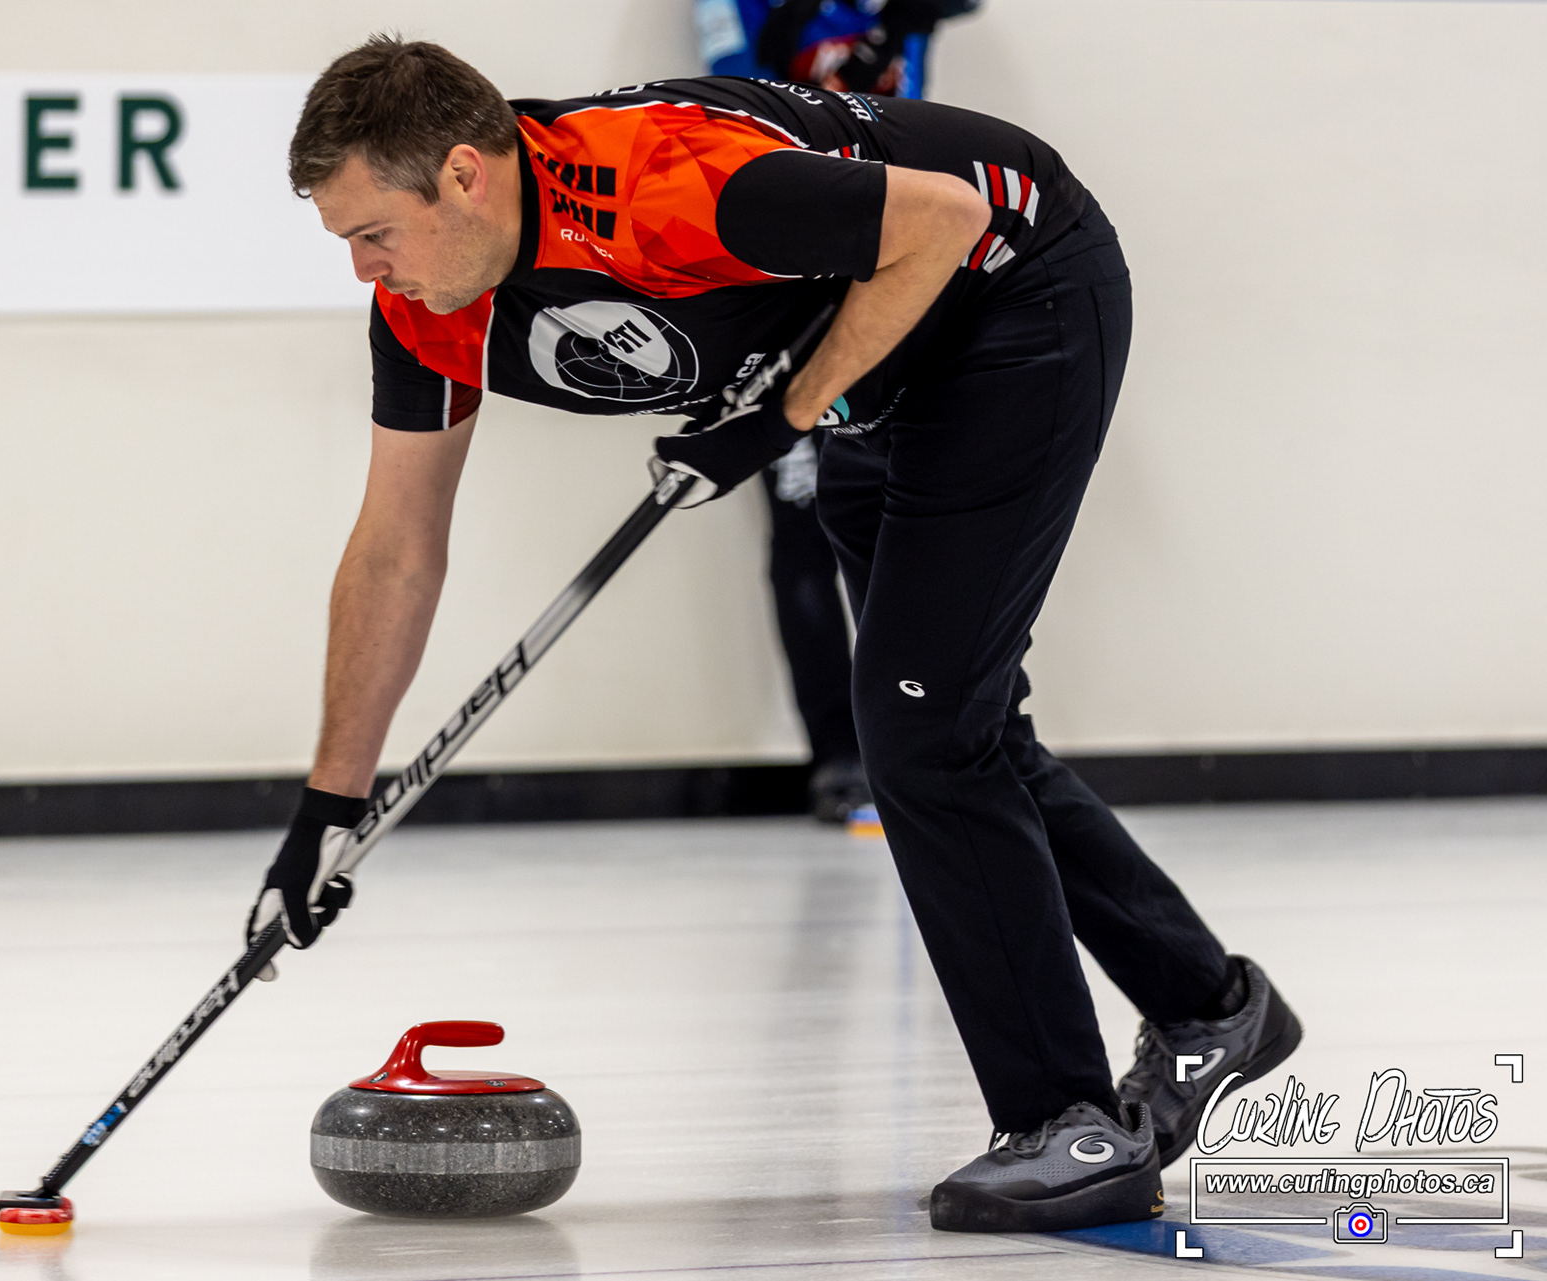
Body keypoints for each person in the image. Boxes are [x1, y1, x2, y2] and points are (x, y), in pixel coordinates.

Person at [251, 37, 1302, 1233]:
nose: (363, 269)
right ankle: (1212, 1008)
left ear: (462, 175)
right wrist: (330, 806)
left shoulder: (663, 183)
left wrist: (778, 420)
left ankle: (1071, 1126)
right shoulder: (424, 310)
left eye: (371, 232)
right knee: (949, 725)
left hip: (1013, 291)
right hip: (874, 361)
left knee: (922, 730)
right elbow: (396, 548)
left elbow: (948, 220)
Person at [698, 0, 982, 823]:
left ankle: (920, 748)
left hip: (897, 271)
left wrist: (899, 25)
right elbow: (749, 118)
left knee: (911, 523)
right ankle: (837, 756)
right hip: (782, 291)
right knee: (804, 531)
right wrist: (878, 42)